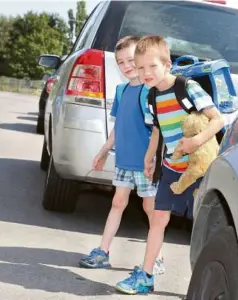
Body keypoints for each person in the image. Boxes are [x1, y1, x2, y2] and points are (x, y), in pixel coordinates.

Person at [115, 35, 225, 295]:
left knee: (204, 226)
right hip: (172, 168)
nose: (145, 73)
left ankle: (206, 286)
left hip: (200, 169)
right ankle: (147, 275)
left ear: (167, 64)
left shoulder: (186, 87)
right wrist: (149, 156)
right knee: (158, 218)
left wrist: (194, 140)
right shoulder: (151, 96)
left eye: (152, 66)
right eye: (140, 68)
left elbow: (217, 120)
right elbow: (156, 130)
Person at [78, 35, 165, 275]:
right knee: (117, 203)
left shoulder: (150, 92)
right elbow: (119, 126)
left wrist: (155, 157)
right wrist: (104, 150)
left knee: (151, 210)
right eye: (121, 62)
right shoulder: (121, 90)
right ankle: (102, 251)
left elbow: (160, 128)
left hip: (145, 163)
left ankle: (156, 258)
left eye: (131, 60)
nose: (127, 66)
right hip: (125, 161)